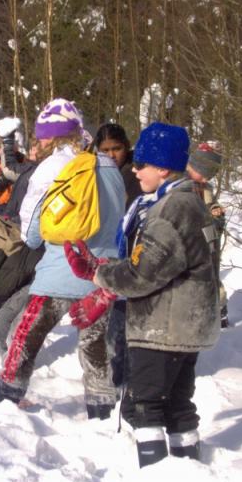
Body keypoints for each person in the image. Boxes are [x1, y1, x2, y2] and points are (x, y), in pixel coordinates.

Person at [64, 122, 220, 466]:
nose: (133, 170)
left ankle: (154, 475)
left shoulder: (169, 211)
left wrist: (97, 273)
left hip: (161, 328)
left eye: (141, 164)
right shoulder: (186, 203)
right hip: (183, 326)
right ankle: (187, 469)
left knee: (143, 403)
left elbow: (143, 274)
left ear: (162, 167)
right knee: (178, 404)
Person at [0, 98, 125, 420]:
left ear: (53, 137)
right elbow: (119, 222)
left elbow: (33, 231)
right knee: (95, 347)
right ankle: (101, 409)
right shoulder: (110, 168)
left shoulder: (52, 169)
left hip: (58, 271)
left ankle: (6, 397)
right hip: (101, 277)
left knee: (27, 335)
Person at [92, 122, 143, 387]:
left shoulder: (135, 173)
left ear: (127, 147)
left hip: (131, 251)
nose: (112, 154)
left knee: (122, 318)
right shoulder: (98, 171)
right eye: (106, 150)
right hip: (107, 250)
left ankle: (122, 378)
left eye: (117, 148)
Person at [186, 141, 228, 327]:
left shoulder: (206, 188)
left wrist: (216, 213)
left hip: (208, 243)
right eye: (203, 173)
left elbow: (211, 208)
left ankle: (219, 313)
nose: (205, 179)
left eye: (209, 176)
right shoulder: (181, 185)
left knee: (212, 278)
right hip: (190, 246)